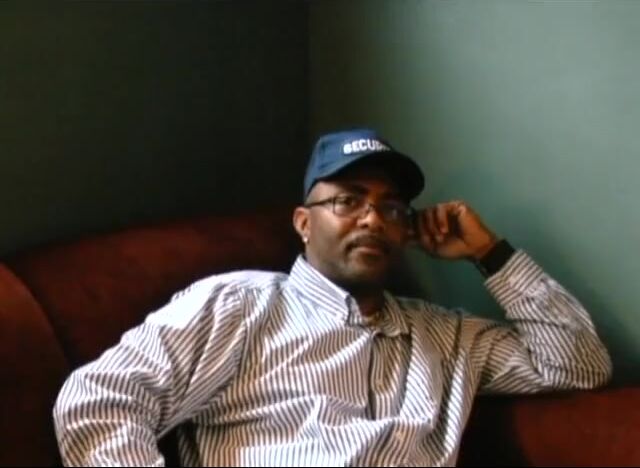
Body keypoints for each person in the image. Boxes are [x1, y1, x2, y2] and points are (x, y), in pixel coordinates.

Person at [53, 128, 612, 467]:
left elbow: (578, 364)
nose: (372, 218)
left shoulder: (446, 336)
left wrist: (489, 253)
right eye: (348, 200)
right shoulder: (239, 304)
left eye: (391, 208)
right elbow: (99, 400)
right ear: (303, 222)